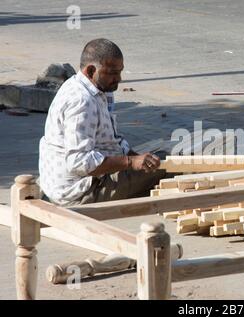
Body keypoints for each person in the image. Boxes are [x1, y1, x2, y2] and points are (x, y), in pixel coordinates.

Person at [39, 38, 167, 206]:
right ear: (91, 70)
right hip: (77, 193)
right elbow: (79, 162)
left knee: (158, 159)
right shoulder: (81, 101)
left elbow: (112, 139)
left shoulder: (98, 89)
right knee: (168, 169)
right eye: (113, 73)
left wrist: (136, 158)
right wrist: (130, 162)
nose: (119, 79)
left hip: (80, 180)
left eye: (120, 72)